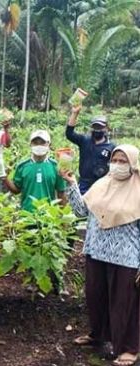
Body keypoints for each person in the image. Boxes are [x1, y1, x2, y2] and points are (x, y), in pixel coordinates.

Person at [60, 145, 140, 366]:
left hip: (125, 258)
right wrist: (71, 183)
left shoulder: (138, 191)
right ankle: (98, 336)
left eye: (123, 161)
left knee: (125, 304)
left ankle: (129, 348)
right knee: (96, 298)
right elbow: (81, 211)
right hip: (95, 251)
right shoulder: (101, 184)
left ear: (133, 164)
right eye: (115, 160)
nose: (118, 165)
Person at [4, 130, 66, 212]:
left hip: (49, 215)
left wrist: (63, 217)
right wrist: (5, 178)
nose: (39, 145)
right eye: (35, 143)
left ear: (49, 144)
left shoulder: (56, 167)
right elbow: (16, 190)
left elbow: (61, 193)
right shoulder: (22, 166)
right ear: (30, 144)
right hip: (27, 214)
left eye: (42, 143)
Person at [66, 106, 115, 194]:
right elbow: (69, 134)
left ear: (106, 128)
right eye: (95, 127)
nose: (97, 130)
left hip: (102, 185)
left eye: (100, 127)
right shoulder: (84, 140)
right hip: (84, 184)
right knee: (81, 206)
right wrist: (74, 113)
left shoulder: (111, 147)